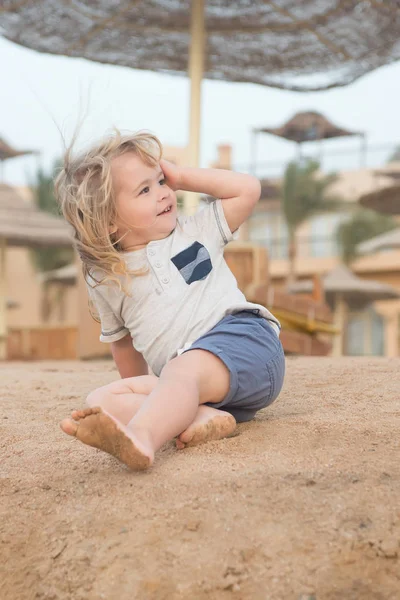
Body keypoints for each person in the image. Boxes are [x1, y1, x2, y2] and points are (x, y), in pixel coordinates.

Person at [56, 131, 285, 471]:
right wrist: (140, 391)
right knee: (101, 401)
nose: (164, 193)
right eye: (145, 190)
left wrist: (183, 176)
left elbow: (248, 189)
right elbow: (124, 347)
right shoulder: (107, 279)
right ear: (109, 222)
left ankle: (144, 438)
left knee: (181, 370)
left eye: (161, 181)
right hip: (193, 386)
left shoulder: (197, 230)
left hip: (247, 345)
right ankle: (204, 416)